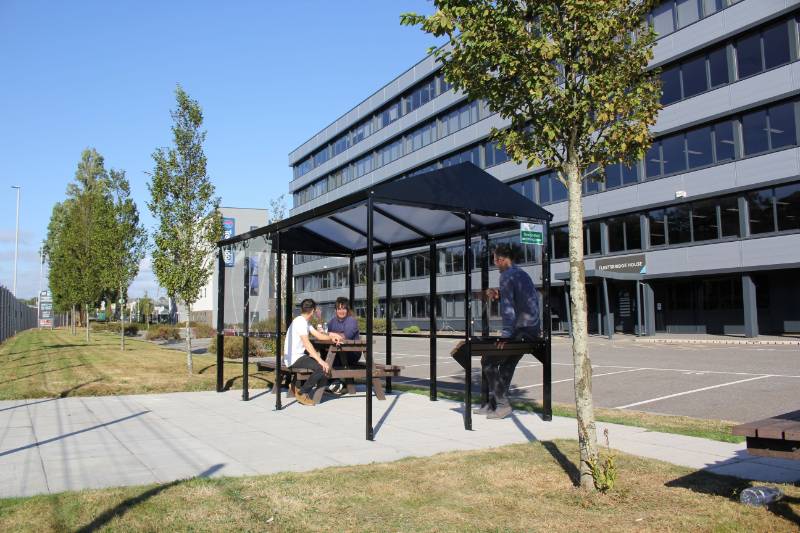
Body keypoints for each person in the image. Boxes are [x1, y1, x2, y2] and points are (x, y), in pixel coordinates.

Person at [478, 243, 540, 420]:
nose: (495, 265)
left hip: (520, 330)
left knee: (488, 362)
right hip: (532, 329)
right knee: (507, 364)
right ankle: (493, 405)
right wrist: (499, 295)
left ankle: (502, 405)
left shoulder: (506, 276)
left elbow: (508, 309)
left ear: (502, 260)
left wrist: (506, 335)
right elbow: (520, 301)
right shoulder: (521, 274)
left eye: (495, 261)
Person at [283, 298, 343, 405]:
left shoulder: (304, 321)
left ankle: (296, 386)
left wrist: (331, 338)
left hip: (295, 357)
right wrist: (320, 361)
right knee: (322, 367)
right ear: (312, 310)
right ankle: (302, 393)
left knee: (323, 365)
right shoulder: (300, 322)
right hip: (294, 359)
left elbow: (318, 335)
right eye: (315, 310)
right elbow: (307, 344)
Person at [325, 297, 361, 394]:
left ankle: (334, 382)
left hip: (352, 353)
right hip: (338, 351)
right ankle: (333, 382)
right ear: (336, 310)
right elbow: (325, 334)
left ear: (347, 309)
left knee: (330, 355)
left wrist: (331, 335)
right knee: (323, 353)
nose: (341, 311)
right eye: (339, 309)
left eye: (343, 308)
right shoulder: (333, 321)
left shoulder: (351, 321)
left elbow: (345, 336)